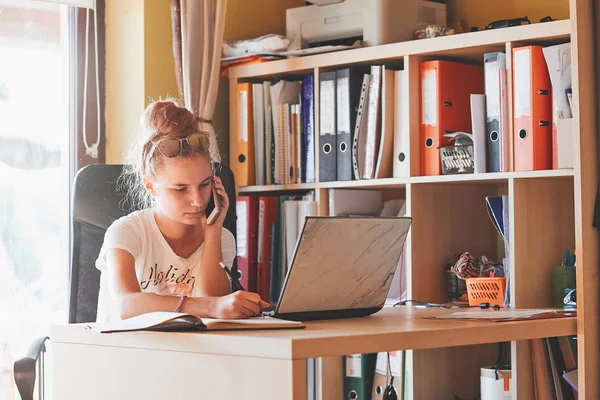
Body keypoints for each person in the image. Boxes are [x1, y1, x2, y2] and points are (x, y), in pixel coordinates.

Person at [95, 99, 269, 323]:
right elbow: (126, 305)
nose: (197, 201)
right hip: (124, 353)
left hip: (186, 353)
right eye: (180, 189)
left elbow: (213, 316)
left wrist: (213, 231)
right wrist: (211, 306)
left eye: (204, 185)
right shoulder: (127, 232)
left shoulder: (222, 238)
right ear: (150, 186)